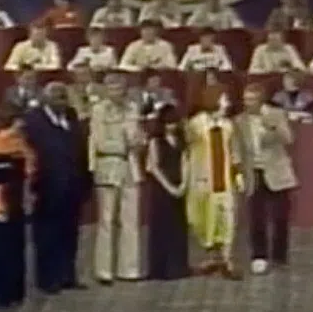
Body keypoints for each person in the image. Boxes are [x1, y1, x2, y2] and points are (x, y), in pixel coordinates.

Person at [25, 82, 88, 293]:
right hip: (47, 187)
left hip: (73, 185)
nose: (62, 101)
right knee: (47, 235)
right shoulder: (34, 120)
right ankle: (47, 279)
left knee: (70, 233)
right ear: (46, 99)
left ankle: (67, 275)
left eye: (64, 97)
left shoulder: (70, 117)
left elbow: (80, 148)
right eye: (57, 97)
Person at [235, 83, 298, 274]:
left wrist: (273, 126)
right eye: (246, 99)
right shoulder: (239, 120)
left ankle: (279, 256)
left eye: (252, 99)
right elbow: (237, 149)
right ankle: (259, 255)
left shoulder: (275, 114)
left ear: (260, 100)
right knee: (256, 217)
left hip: (276, 171)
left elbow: (289, 139)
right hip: (254, 172)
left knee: (280, 216)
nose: (248, 103)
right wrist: (238, 172)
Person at [0, 103, 36, 306]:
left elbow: (30, 168)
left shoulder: (21, 141)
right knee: (0, 249)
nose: (24, 123)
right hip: (2, 202)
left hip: (17, 199)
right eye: (19, 119)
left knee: (15, 247)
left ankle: (13, 292)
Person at [89, 73, 145, 284]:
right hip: (109, 164)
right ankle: (104, 270)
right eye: (112, 89)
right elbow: (99, 141)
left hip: (130, 166)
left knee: (131, 219)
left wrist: (139, 142)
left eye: (120, 89)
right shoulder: (99, 110)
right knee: (106, 219)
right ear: (105, 90)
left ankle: (129, 269)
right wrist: (123, 145)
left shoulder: (132, 108)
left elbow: (139, 136)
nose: (116, 93)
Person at [186, 85, 244, 280]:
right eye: (224, 99)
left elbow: (234, 151)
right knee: (204, 219)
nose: (227, 104)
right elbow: (188, 148)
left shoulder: (228, 125)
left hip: (224, 180)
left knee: (226, 218)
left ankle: (227, 259)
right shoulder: (196, 124)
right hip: (203, 180)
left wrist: (237, 174)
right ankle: (211, 256)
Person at [145, 105, 190, 280]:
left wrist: (183, 184)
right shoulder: (155, 142)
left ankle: (178, 266)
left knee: (178, 228)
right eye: (168, 123)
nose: (171, 126)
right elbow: (154, 167)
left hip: (179, 186)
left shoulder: (180, 141)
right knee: (162, 227)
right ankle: (161, 268)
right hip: (161, 189)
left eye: (174, 123)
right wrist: (169, 187)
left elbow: (185, 161)